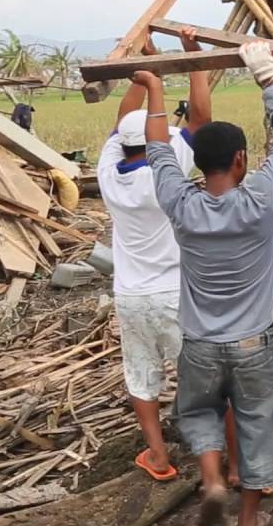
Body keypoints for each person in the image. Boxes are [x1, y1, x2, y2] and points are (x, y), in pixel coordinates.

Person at [137, 40, 273, 526]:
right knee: (258, 428)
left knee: (201, 412)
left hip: (201, 344)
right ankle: (248, 523)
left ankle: (212, 481)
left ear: (200, 164)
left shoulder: (180, 203)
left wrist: (154, 86)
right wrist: (268, 76)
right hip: (254, 343)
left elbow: (158, 149)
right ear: (240, 158)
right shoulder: (259, 201)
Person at [98, 27, 242, 484]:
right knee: (211, 381)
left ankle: (158, 455)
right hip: (177, 295)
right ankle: (232, 466)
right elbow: (200, 118)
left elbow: (121, 123)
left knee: (141, 374)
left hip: (131, 296)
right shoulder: (166, 169)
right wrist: (192, 61)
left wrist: (140, 78)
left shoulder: (108, 173)